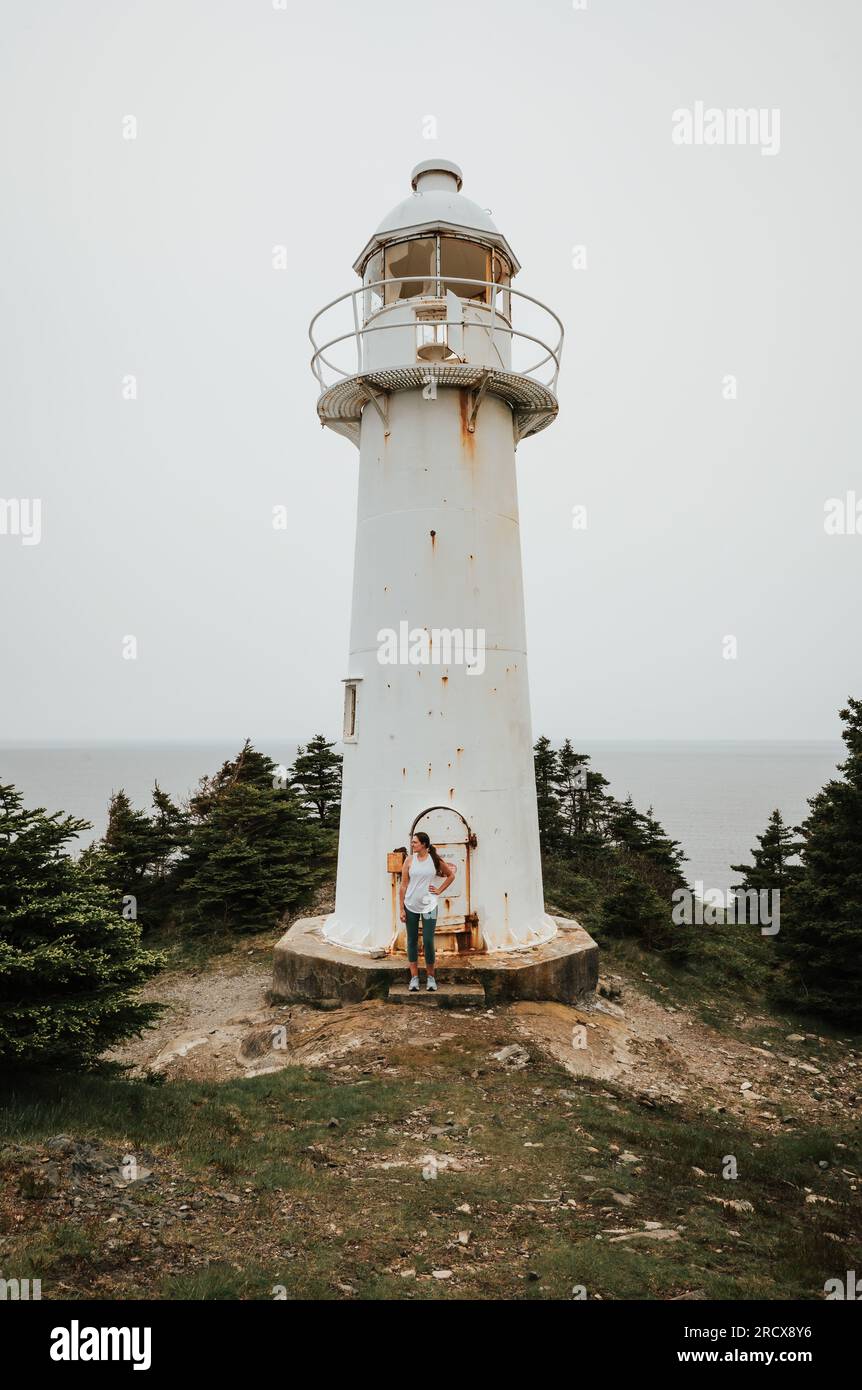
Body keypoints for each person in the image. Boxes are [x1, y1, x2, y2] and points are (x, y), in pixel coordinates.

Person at [399, 831, 456, 991]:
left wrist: (439, 890)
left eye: (415, 842)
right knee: (412, 941)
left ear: (424, 844)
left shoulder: (434, 859)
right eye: (412, 842)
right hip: (410, 906)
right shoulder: (409, 860)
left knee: (429, 941)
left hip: (429, 906)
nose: (412, 844)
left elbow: (450, 875)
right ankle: (414, 978)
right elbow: (403, 885)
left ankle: (431, 978)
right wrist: (401, 908)